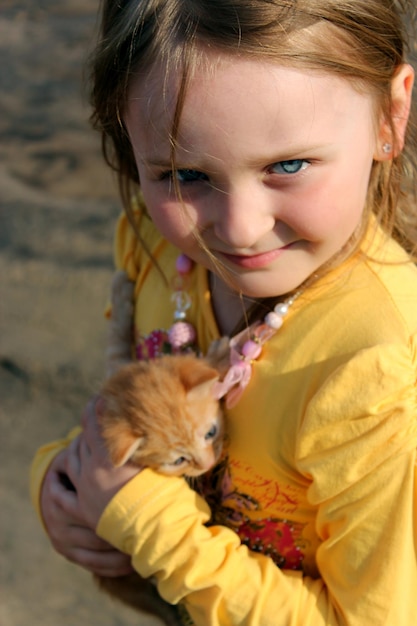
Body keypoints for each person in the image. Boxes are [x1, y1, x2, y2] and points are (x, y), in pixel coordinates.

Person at [30, 1, 417, 624]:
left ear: (389, 118)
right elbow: (122, 399)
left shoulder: (376, 374)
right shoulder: (158, 250)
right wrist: (63, 482)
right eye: (185, 175)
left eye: (288, 165)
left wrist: (154, 529)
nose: (239, 230)